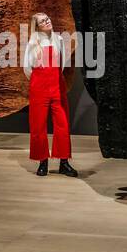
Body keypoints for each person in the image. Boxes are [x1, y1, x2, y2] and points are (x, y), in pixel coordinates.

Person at [22, 12, 78, 178]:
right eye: (43, 21)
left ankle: (64, 163)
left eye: (48, 18)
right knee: (38, 126)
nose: (47, 21)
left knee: (63, 124)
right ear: (37, 26)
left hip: (57, 87)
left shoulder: (58, 40)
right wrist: (41, 81)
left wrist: (54, 80)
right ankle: (42, 162)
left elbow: (60, 67)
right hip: (39, 88)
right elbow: (27, 69)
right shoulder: (32, 44)